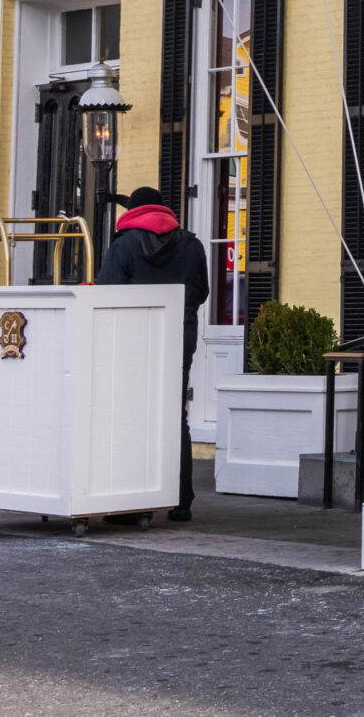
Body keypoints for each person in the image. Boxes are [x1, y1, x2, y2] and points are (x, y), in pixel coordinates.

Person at [98, 186, 210, 522]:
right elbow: (201, 293)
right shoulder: (192, 244)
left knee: (130, 415)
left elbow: (106, 294)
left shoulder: (124, 245)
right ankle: (181, 500)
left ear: (132, 211)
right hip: (178, 337)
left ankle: (132, 504)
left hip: (132, 340)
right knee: (175, 415)